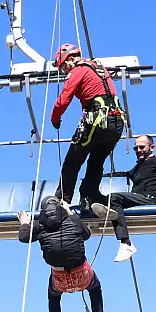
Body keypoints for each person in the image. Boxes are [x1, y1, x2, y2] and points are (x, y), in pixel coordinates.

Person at [50, 43, 127, 220]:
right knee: (96, 160)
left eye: (63, 67)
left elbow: (63, 100)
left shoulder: (78, 70)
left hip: (97, 120)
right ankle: (89, 195)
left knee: (73, 160)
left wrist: (54, 119)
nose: (64, 72)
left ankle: (62, 200)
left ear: (70, 59)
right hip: (117, 122)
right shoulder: (99, 67)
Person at [18, 195, 105, 312]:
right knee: (95, 288)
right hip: (83, 275)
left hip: (59, 280)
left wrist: (25, 223)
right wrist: (69, 212)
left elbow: (24, 236)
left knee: (53, 298)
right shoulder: (72, 220)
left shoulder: (39, 226)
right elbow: (86, 234)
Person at [92, 134, 156, 262]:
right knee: (100, 199)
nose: (138, 150)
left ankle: (126, 243)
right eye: (136, 148)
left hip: (152, 199)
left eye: (142, 147)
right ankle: (108, 212)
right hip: (138, 199)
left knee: (114, 197)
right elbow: (125, 173)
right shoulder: (137, 168)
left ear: (152, 147)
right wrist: (96, 175)